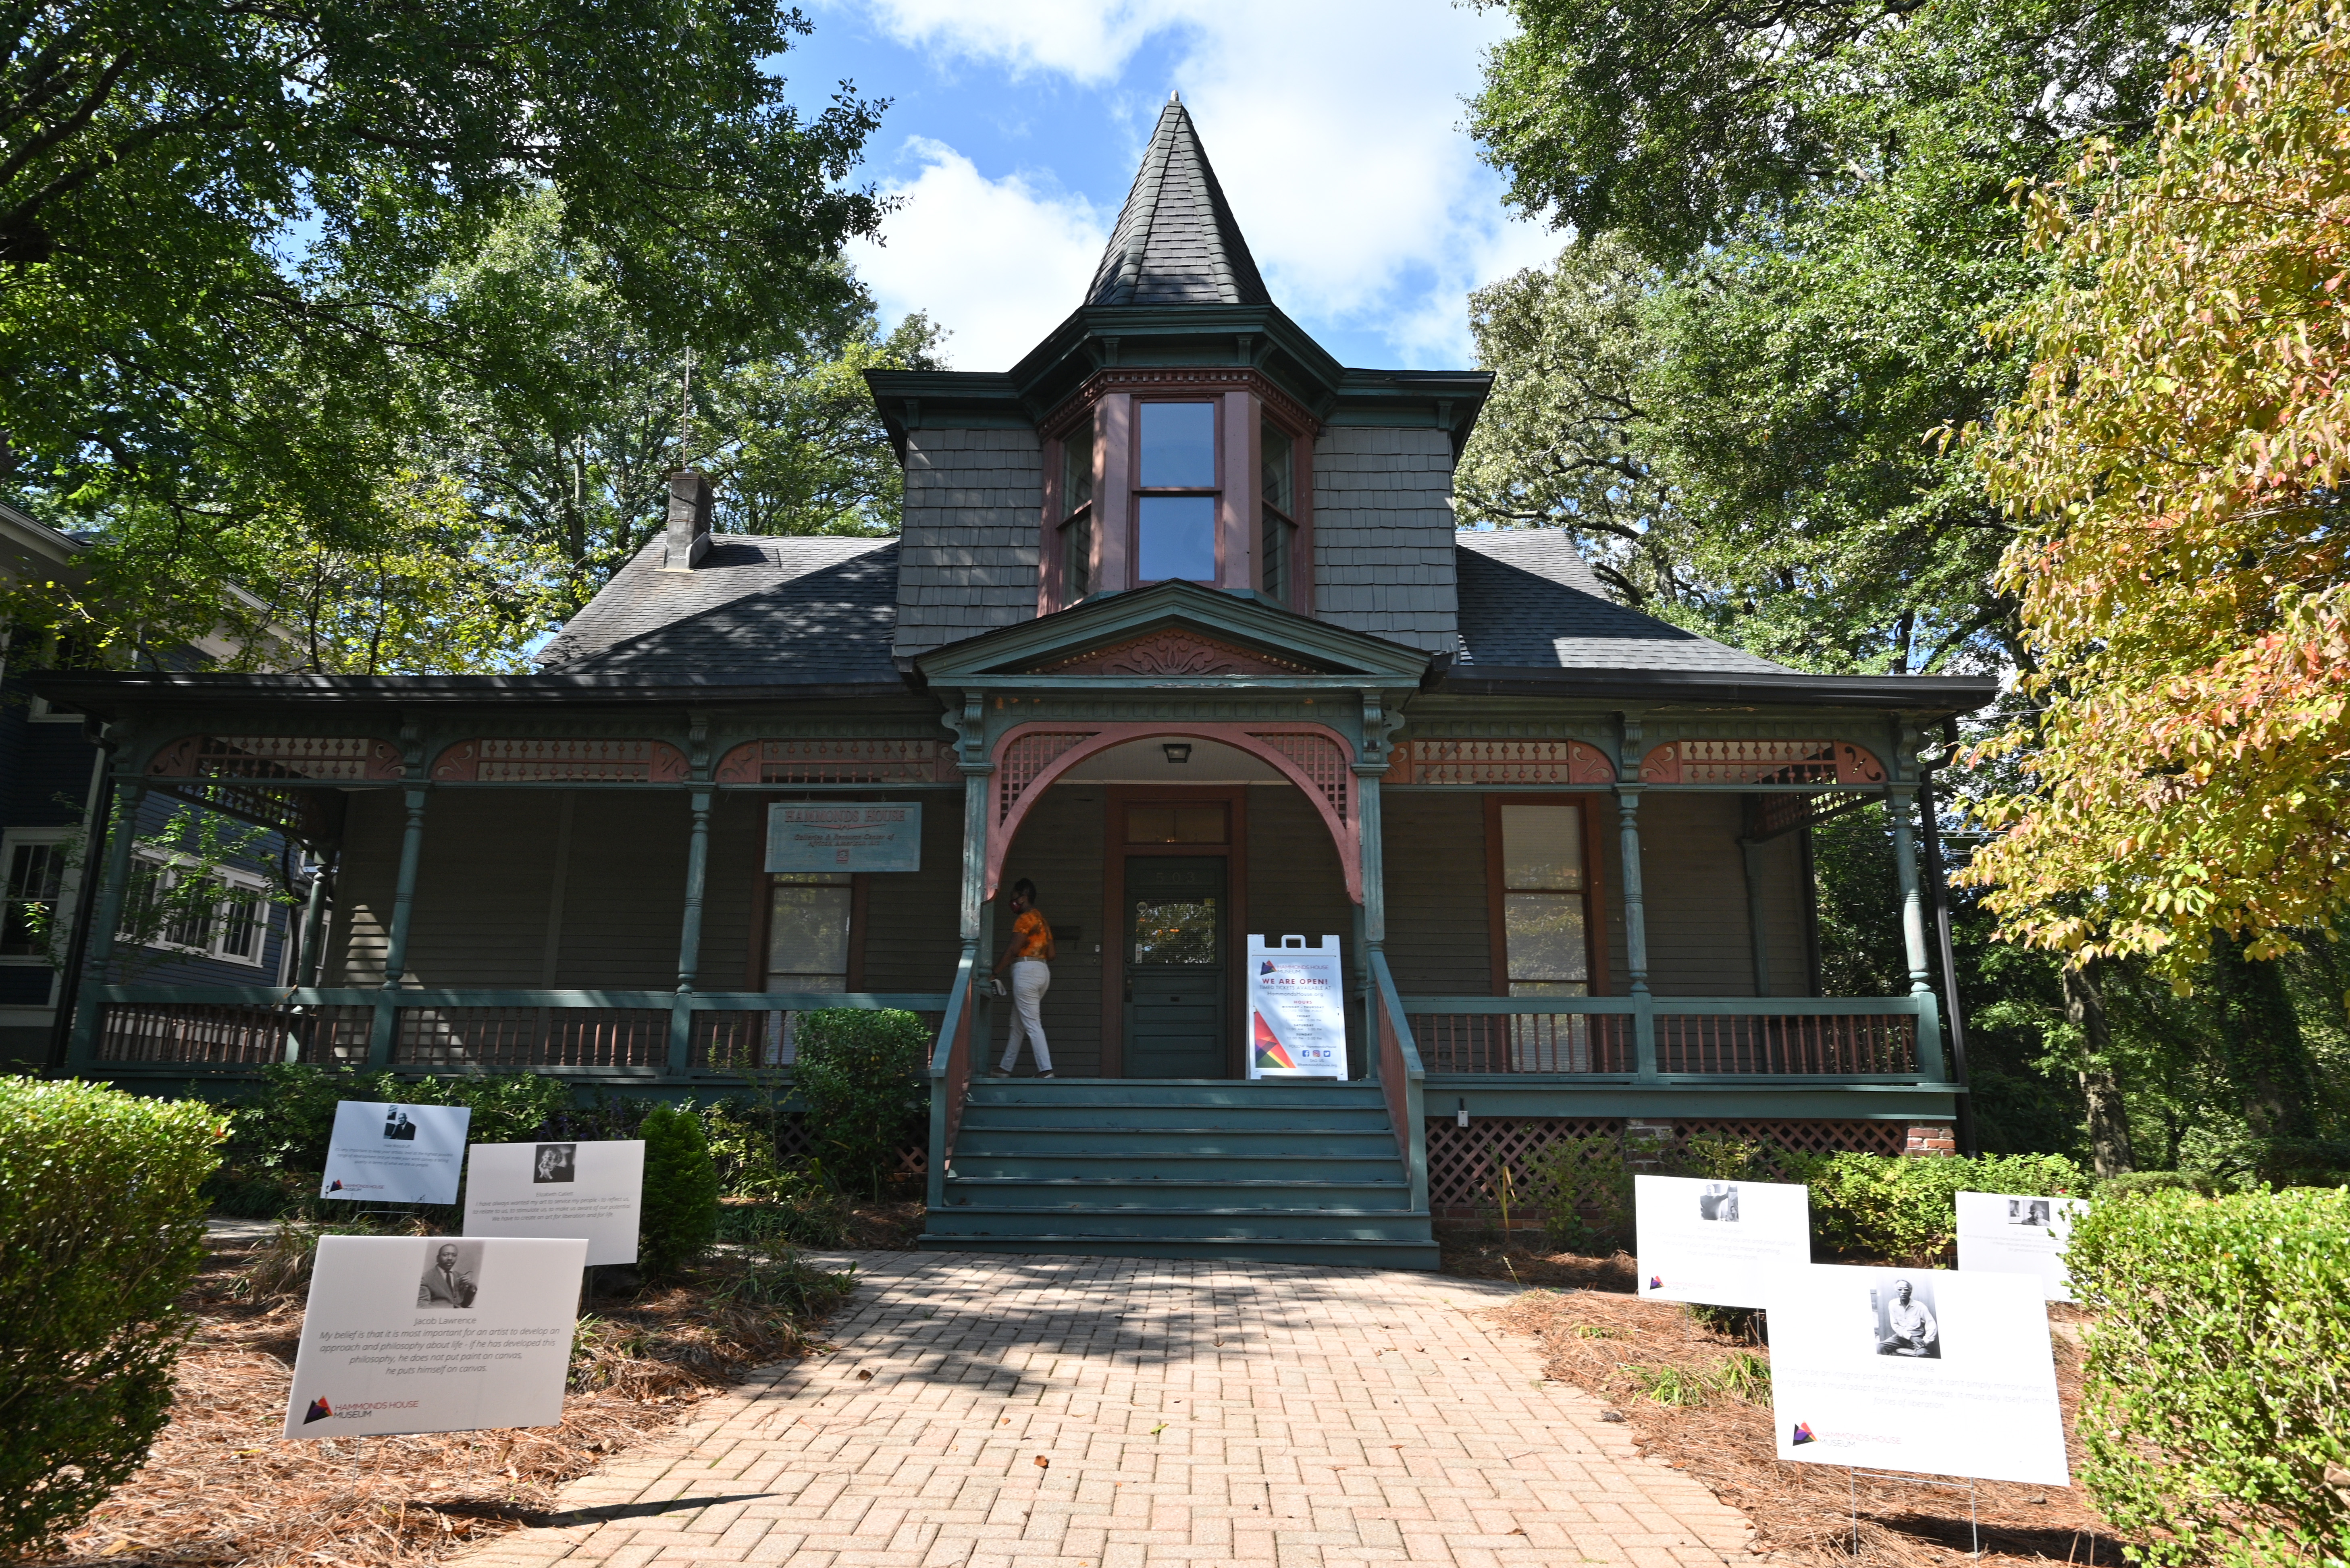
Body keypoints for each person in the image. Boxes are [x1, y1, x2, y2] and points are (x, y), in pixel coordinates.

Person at [993, 878, 1055, 1077]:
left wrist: (994, 973)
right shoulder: (1041, 920)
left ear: (1024, 897)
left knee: (1032, 1023)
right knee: (1018, 1023)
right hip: (1043, 972)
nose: (1012, 902)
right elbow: (1052, 954)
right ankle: (1005, 1068)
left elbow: (1013, 950)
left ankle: (1046, 1070)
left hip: (1026, 972)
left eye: (1014, 897)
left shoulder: (1025, 919)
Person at [1877, 1278, 1938, 1357]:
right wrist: (1911, 1337)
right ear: (1897, 1291)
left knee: (1923, 1354)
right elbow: (1895, 1326)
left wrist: (1925, 1341)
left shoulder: (1920, 1306)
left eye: (1906, 1290)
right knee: (1881, 1347)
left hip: (1918, 1338)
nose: (1903, 1292)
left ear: (1910, 1291)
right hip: (1900, 1337)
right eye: (1900, 1290)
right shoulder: (1893, 1304)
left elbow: (1931, 1325)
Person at [418, 1243, 478, 1308]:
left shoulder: (461, 1276)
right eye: (446, 1255)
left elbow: (465, 1304)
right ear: (438, 1258)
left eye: (454, 1255)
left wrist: (472, 1287)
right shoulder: (426, 1277)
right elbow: (422, 1305)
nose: (450, 1258)